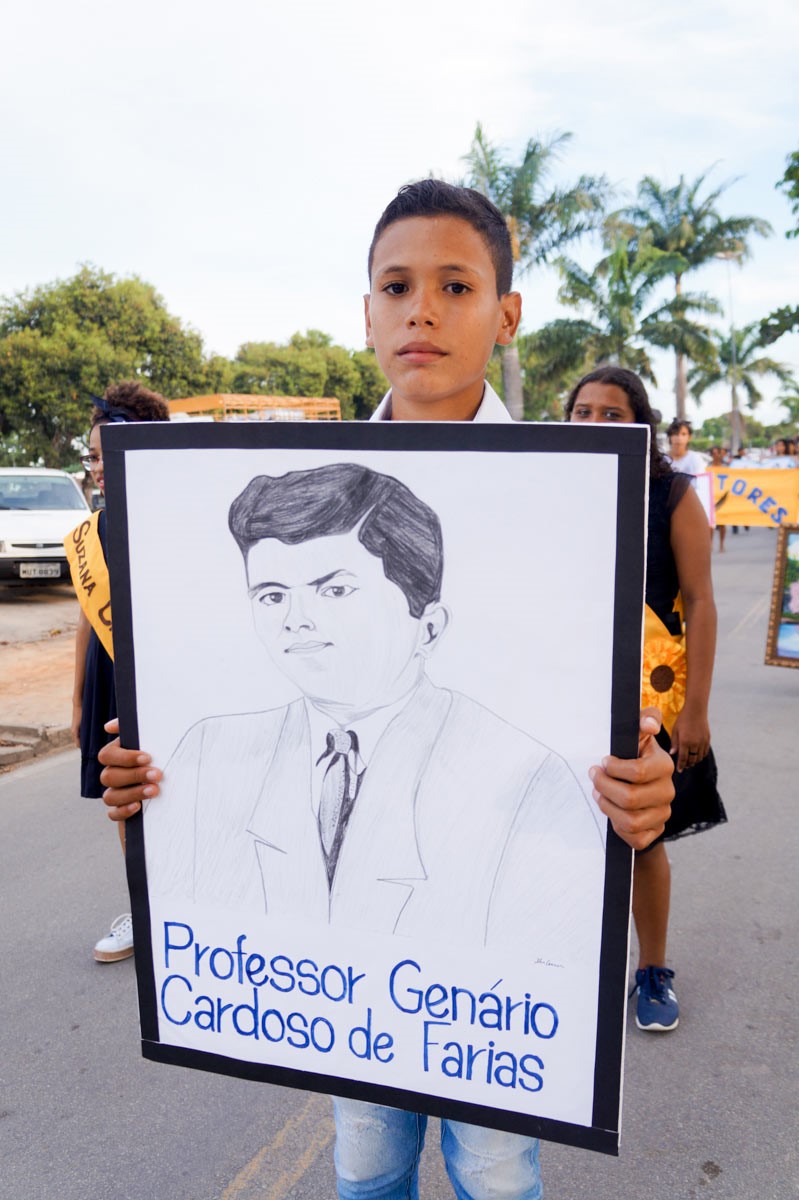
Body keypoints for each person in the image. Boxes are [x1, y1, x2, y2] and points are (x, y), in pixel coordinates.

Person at [99, 181, 675, 1200]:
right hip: (344, 1003)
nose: (421, 311)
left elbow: (608, 711)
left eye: (455, 285)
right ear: (365, 312)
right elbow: (192, 866)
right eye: (396, 286)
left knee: (495, 1170)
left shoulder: (569, 506)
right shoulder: (226, 742)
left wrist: (639, 781)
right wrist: (148, 788)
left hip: (495, 1006)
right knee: (364, 1162)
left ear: (506, 313)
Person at [145, 462, 604, 961]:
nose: (296, 621)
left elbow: (554, 975)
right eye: (273, 596)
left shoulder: (526, 780)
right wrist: (140, 801)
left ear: (428, 626)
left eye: (334, 590)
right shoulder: (207, 756)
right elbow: (177, 930)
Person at [566, 366, 726, 1035]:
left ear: (641, 424)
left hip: (648, 701)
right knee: (564, 833)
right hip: (568, 689)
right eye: (583, 411)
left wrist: (695, 711)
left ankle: (652, 969)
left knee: (640, 838)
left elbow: (701, 602)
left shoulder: (672, 494)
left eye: (612, 413)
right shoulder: (552, 487)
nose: (594, 423)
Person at [68, 380, 170, 962]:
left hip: (159, 674)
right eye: (92, 456)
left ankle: (182, 903)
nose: (98, 467)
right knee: (122, 796)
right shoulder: (95, 530)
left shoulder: (171, 518)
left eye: (105, 453)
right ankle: (143, 907)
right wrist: (78, 699)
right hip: (108, 672)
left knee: (167, 787)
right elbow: (87, 616)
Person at [707, 446, 727, 553]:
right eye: (713, 453)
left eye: (717, 453)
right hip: (711, 497)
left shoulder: (726, 467)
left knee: (722, 523)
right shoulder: (708, 467)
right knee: (711, 524)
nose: (715, 455)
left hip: (722, 498)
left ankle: (721, 544)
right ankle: (710, 544)